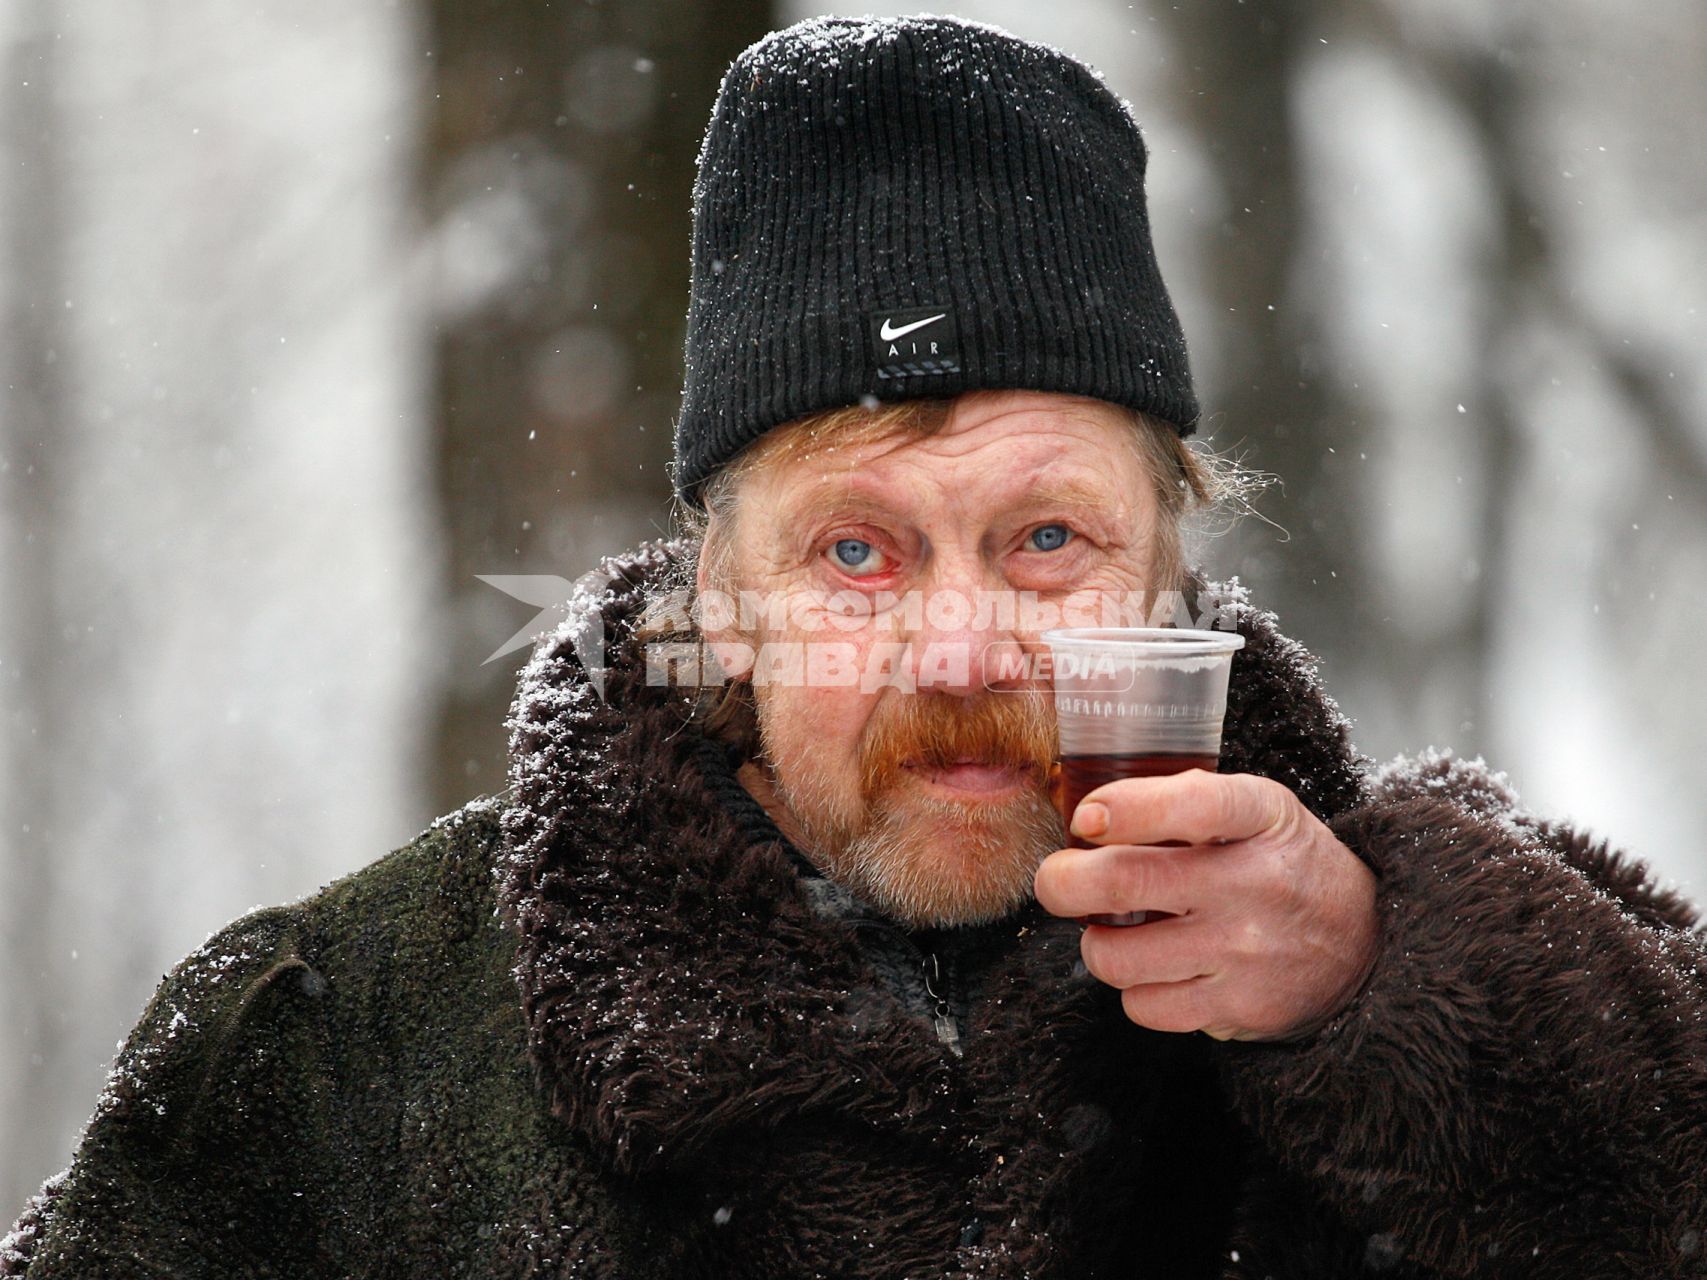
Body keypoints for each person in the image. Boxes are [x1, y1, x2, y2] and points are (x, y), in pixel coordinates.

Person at [5, 14, 1703, 1279]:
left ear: (1174, 575)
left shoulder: (1456, 960)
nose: (962, 649)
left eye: (1048, 538)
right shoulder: (342, 1050)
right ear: (717, 598)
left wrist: (1392, 1010)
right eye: (857, 552)